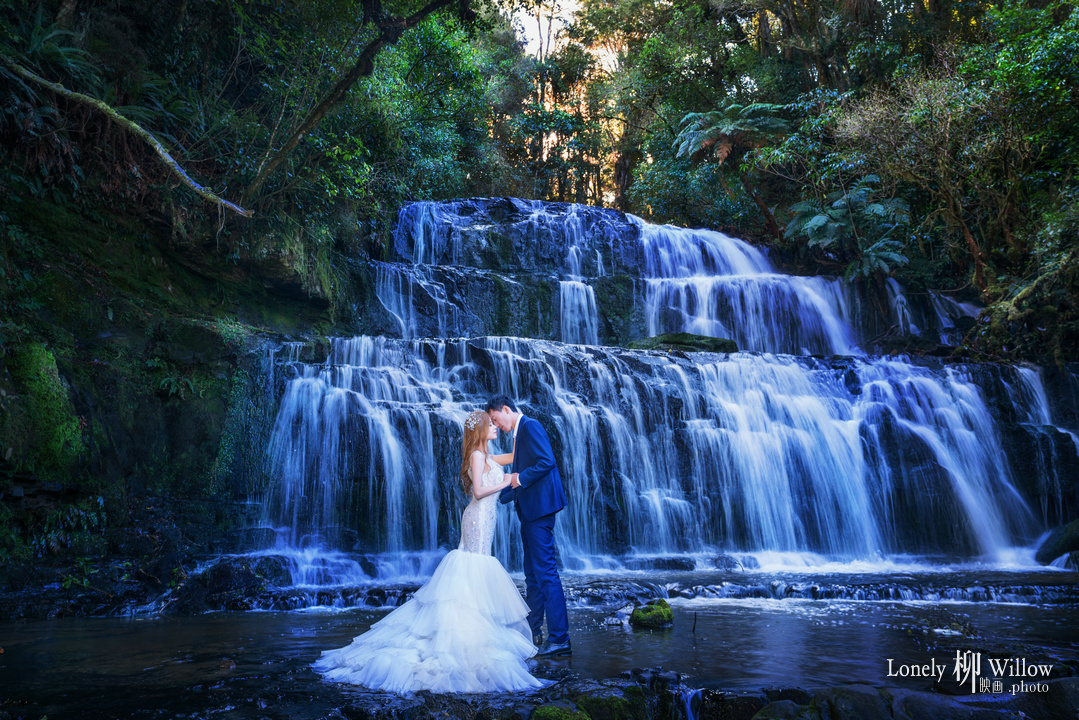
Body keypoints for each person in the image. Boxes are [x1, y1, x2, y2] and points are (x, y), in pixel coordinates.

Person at [314, 410, 547, 694]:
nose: (496, 427)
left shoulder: (488, 456)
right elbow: (478, 492)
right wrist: (507, 482)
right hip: (476, 518)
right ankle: (464, 631)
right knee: (473, 564)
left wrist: (521, 431)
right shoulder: (476, 455)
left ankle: (475, 626)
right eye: (491, 425)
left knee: (480, 567)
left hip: (488, 521)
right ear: (480, 431)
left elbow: (512, 458)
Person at [486, 395, 571, 656]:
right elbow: (520, 475)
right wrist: (500, 494)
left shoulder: (530, 426)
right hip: (529, 511)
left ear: (506, 409)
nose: (496, 425)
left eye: (495, 419)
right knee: (532, 576)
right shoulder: (519, 433)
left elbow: (547, 462)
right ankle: (532, 630)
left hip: (540, 511)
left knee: (546, 573)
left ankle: (559, 639)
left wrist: (518, 479)